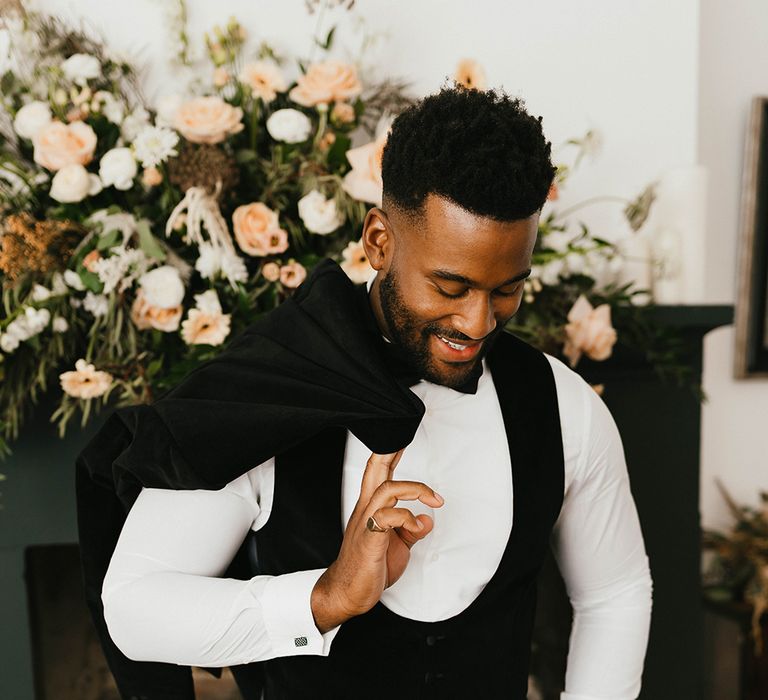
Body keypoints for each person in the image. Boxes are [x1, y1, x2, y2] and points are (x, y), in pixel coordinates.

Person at [94, 86, 652, 699]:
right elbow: (133, 609)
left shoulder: (565, 408)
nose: (477, 322)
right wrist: (326, 598)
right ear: (379, 241)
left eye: (505, 290)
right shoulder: (273, 391)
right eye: (449, 287)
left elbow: (613, 593)